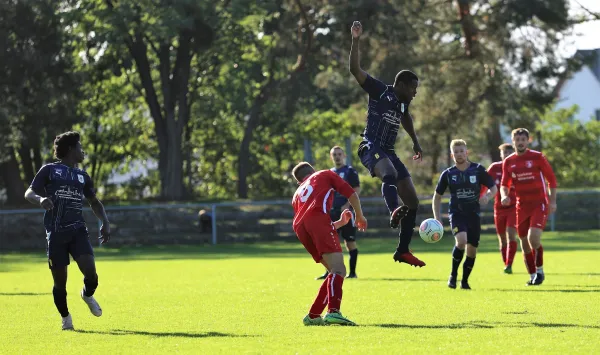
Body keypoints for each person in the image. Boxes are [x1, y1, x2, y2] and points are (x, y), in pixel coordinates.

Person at [348, 20, 425, 267]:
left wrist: (415, 141)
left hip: (389, 151)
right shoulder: (380, 90)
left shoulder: (403, 102)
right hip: (370, 146)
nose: (415, 92)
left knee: (413, 201)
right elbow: (355, 70)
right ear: (401, 85)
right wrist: (356, 40)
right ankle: (393, 209)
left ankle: (403, 250)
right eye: (413, 88)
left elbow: (405, 116)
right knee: (389, 173)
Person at [24, 131, 111, 330]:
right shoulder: (49, 170)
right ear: (71, 149)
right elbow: (29, 192)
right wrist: (41, 200)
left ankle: (87, 295)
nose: (83, 152)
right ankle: (66, 318)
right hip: (55, 233)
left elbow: (94, 202)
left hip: (77, 231)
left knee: (91, 272)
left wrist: (105, 221)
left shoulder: (82, 176)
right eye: (80, 147)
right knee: (60, 283)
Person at [291, 162, 367, 326]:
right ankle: (333, 312)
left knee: (333, 271)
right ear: (313, 171)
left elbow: (309, 220)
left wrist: (339, 223)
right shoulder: (324, 174)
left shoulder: (297, 193)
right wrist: (359, 216)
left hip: (300, 228)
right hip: (317, 221)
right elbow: (351, 193)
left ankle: (313, 315)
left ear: (299, 181)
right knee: (339, 270)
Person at [432, 140, 496, 290]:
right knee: (461, 241)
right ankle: (453, 275)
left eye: (462, 151)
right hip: (457, 214)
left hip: (473, 215)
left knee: (472, 250)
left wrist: (487, 196)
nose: (459, 154)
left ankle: (465, 281)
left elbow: (493, 188)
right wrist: (437, 218)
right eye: (456, 152)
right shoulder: (448, 174)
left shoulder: (478, 169)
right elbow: (437, 197)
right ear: (452, 154)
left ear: (467, 152)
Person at [501, 128, 557, 286]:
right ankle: (533, 274)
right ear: (513, 142)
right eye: (517, 140)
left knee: (534, 238)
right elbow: (505, 184)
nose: (520, 142)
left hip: (539, 203)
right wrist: (504, 195)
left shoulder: (537, 157)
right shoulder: (509, 162)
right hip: (521, 206)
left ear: (528, 141)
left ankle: (539, 270)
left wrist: (552, 201)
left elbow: (551, 180)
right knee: (524, 241)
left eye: (523, 140)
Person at [316, 146, 361, 280]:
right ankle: (328, 272)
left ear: (344, 155)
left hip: (346, 212)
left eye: (339, 154)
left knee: (349, 242)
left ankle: (352, 273)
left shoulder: (350, 172)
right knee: (327, 242)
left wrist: (347, 205)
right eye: (334, 154)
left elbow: (356, 190)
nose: (337, 156)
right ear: (331, 157)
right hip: (331, 213)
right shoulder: (329, 173)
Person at [484, 143, 518, 274]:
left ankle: (509, 264)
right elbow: (484, 183)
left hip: (514, 207)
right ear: (501, 155)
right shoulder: (494, 168)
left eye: (510, 153)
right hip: (498, 208)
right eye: (505, 153)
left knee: (511, 235)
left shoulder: (517, 167)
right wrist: (483, 196)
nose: (507, 156)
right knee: (502, 238)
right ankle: (506, 263)